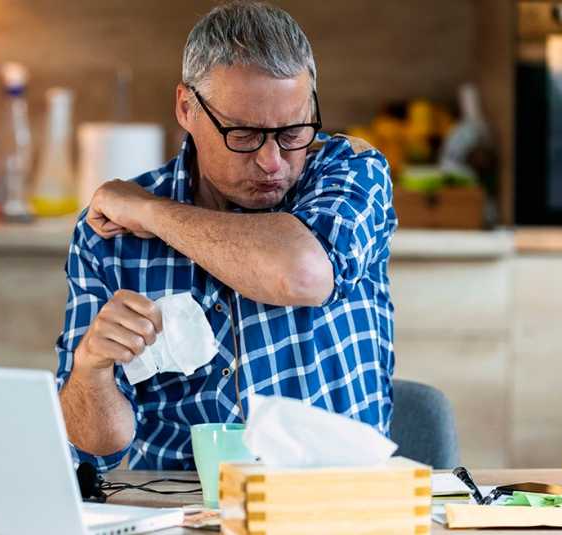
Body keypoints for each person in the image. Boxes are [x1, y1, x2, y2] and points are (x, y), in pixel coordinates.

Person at [56, 0, 397, 471]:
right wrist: (92, 369)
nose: (272, 161)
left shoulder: (351, 173)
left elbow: (301, 273)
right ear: (186, 108)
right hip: (176, 507)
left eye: (293, 131)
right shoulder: (107, 234)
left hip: (327, 500)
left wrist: (152, 213)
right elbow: (99, 446)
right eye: (244, 134)